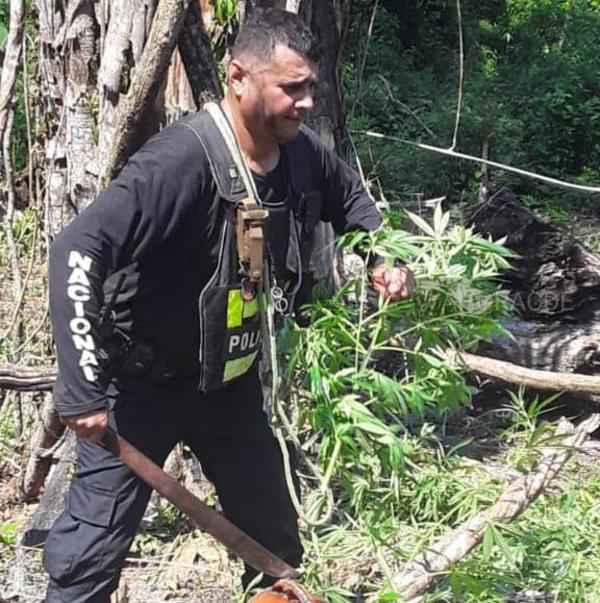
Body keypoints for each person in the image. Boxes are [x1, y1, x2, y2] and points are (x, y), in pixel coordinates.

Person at [42, 8, 415, 602]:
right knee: (87, 558)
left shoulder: (301, 154)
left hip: (230, 386)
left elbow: (357, 206)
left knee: (272, 544)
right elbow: (76, 249)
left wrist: (383, 260)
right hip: (141, 389)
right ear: (239, 77)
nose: (308, 102)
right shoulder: (179, 163)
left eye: (311, 87)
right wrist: (80, 387)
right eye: (291, 88)